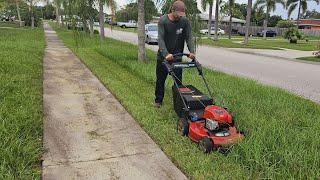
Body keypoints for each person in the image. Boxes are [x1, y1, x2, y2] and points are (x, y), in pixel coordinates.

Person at [154, 0, 196, 108]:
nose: (180, 17)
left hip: (177, 57)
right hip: (163, 57)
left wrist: (192, 51)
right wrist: (166, 53)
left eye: (182, 15)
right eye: (178, 14)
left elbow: (189, 37)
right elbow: (160, 39)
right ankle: (158, 100)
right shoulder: (163, 21)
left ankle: (178, 104)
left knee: (178, 82)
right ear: (172, 10)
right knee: (160, 80)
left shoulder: (184, 21)